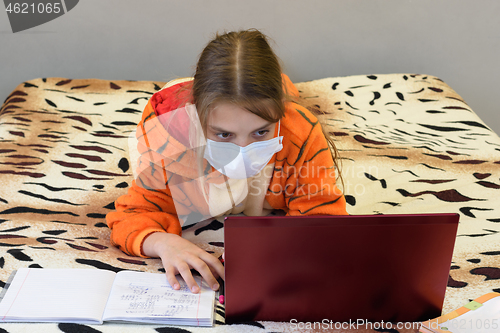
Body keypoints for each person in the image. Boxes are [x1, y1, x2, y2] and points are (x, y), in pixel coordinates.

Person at [106, 29, 347, 294]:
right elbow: (132, 214)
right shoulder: (168, 141)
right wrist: (163, 243)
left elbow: (322, 217)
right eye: (224, 134)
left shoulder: (298, 131)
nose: (243, 149)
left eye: (261, 132)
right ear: (199, 121)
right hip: (180, 116)